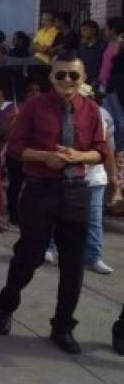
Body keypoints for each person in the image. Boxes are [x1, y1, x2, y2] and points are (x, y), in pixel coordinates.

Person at [0, 53, 107, 355]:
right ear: (51, 78)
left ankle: (63, 325)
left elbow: (100, 151)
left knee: (73, 265)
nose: (67, 81)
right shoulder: (34, 106)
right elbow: (16, 149)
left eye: (74, 76)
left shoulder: (91, 109)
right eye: (61, 76)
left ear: (83, 79)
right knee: (29, 256)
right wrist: (46, 157)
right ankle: (7, 303)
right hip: (41, 190)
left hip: (76, 191)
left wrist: (78, 157)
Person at [83, 87, 115, 274]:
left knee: (94, 221)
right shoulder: (66, 113)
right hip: (69, 176)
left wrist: (113, 179)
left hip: (95, 177)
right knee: (61, 216)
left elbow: (109, 150)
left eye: (88, 97)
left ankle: (93, 257)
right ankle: (50, 247)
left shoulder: (103, 116)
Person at [6, 79, 43, 225]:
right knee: (15, 185)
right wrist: (11, 120)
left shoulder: (44, 109)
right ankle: (13, 213)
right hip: (15, 154)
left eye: (37, 90)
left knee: (33, 186)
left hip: (34, 154)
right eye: (31, 90)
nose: (34, 93)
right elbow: (2, 132)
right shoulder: (15, 107)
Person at [0, 86, 18, 232]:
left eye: (0, 96)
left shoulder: (4, 114)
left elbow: (3, 136)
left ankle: (0, 217)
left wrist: (11, 121)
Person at [78, 20, 105, 87]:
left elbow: (105, 65)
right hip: (84, 81)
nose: (82, 33)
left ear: (93, 30)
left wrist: (98, 80)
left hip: (98, 82)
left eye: (85, 30)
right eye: (81, 31)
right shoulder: (82, 46)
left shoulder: (103, 46)